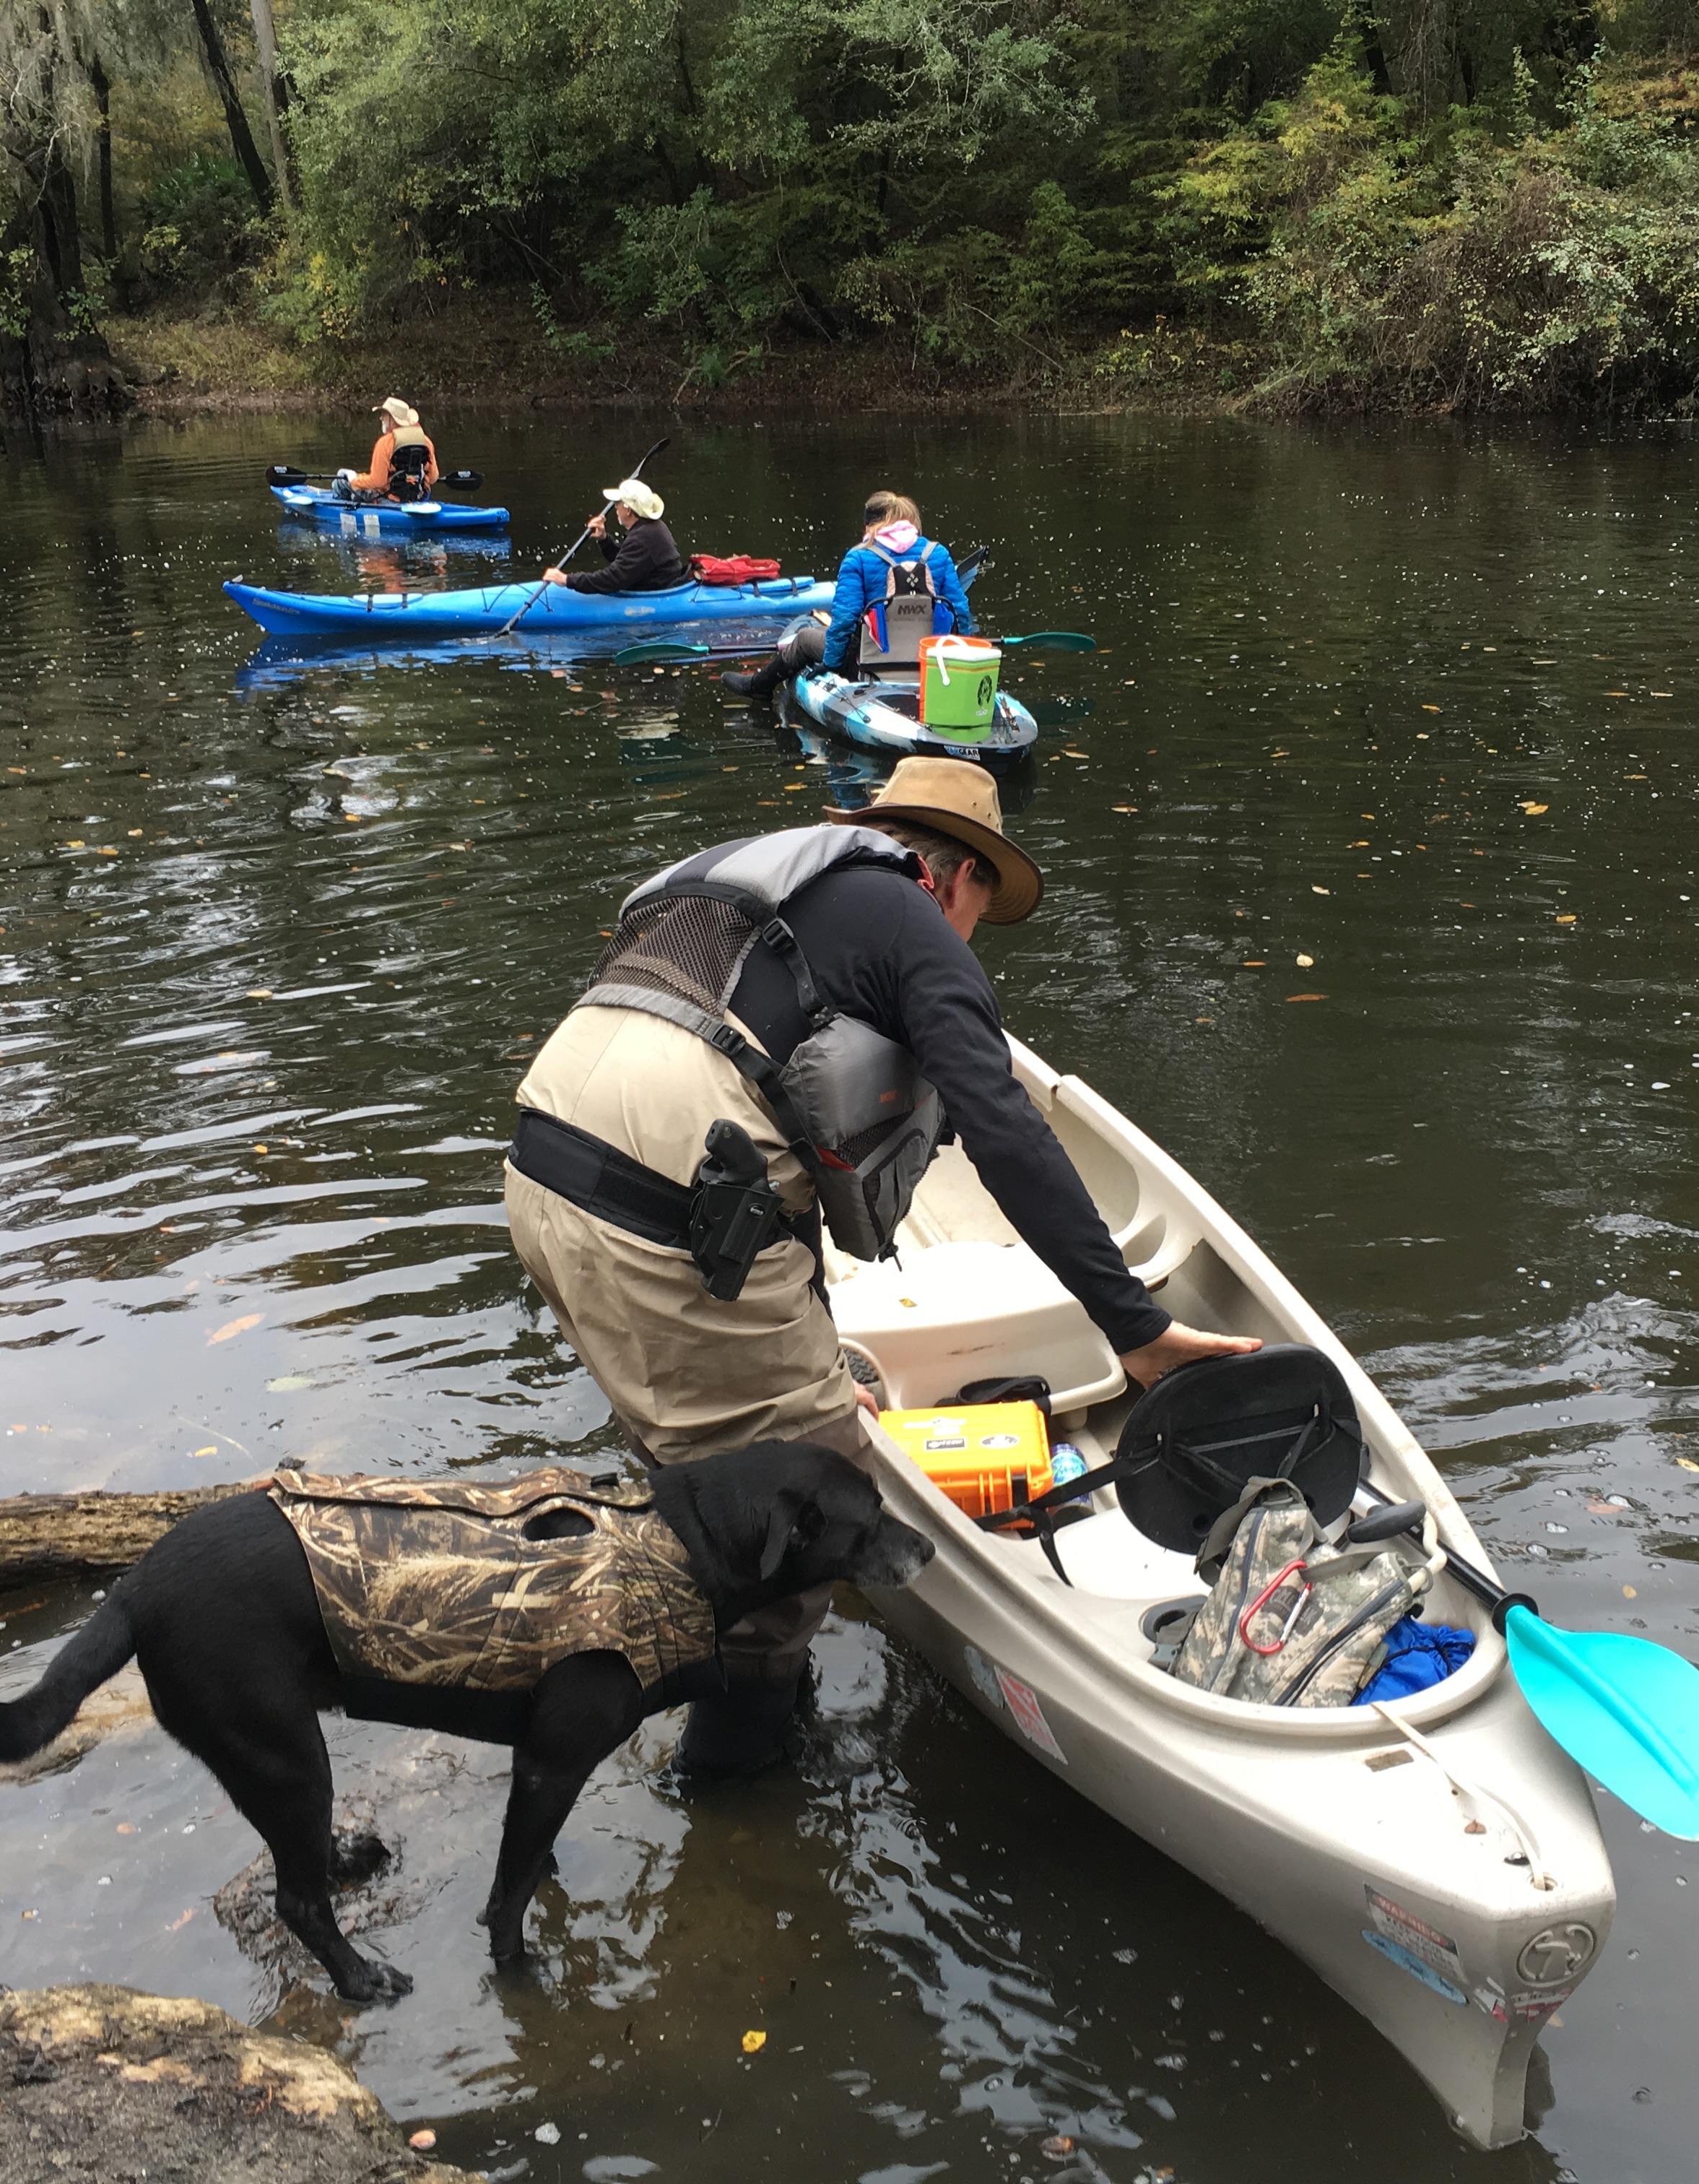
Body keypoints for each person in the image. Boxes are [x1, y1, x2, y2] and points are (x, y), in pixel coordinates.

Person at [504, 755, 1259, 1775]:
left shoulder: (759, 891)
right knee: (809, 1482)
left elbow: (764, 1149)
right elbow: (1006, 1132)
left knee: (712, 1466)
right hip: (663, 1215)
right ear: (955, 878)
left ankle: (721, 1624)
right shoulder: (912, 918)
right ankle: (741, 1791)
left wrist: (808, 1346)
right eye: (979, 916)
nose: (968, 940)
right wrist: (1136, 1330)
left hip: (544, 1173)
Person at [722, 490, 975, 698]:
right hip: (932, 663)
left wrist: (831, 665)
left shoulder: (859, 557)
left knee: (803, 640)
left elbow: (844, 620)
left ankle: (758, 688)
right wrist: (962, 664)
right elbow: (961, 613)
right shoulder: (938, 553)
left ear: (870, 525)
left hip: (869, 663)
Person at [543, 477, 685, 594]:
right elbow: (629, 565)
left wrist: (567, 580)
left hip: (661, 593)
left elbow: (613, 579)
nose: (615, 506)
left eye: (618, 503)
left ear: (628, 510)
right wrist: (604, 540)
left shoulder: (642, 537)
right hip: (663, 585)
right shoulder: (652, 527)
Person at [339, 397, 435, 501]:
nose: (381, 419)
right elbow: (433, 477)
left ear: (392, 419)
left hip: (389, 499)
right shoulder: (425, 441)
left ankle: (339, 508)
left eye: (384, 415)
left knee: (342, 476)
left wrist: (354, 481)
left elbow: (378, 481)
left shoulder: (385, 443)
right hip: (420, 497)